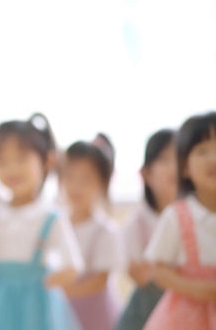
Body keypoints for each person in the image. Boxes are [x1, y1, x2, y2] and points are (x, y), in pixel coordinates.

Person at [0, 113, 83, 330]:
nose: (12, 169)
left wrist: (46, 282)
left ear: (47, 161)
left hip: (37, 307)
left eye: (21, 159)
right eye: (2, 161)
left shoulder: (51, 217)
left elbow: (73, 266)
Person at [144, 111, 216, 330]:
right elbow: (158, 268)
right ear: (185, 166)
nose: (215, 159)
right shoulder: (177, 215)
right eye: (202, 151)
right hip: (186, 319)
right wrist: (192, 288)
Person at [115, 129, 176, 330]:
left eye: (179, 158)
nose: (173, 167)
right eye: (165, 159)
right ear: (146, 173)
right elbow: (138, 275)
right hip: (145, 315)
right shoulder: (135, 224)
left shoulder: (197, 220)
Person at [61, 134, 123, 330]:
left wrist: (57, 290)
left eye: (85, 179)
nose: (76, 186)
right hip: (61, 314)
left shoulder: (106, 230)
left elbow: (99, 281)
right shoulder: (56, 223)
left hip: (96, 317)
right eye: (69, 176)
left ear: (102, 183)